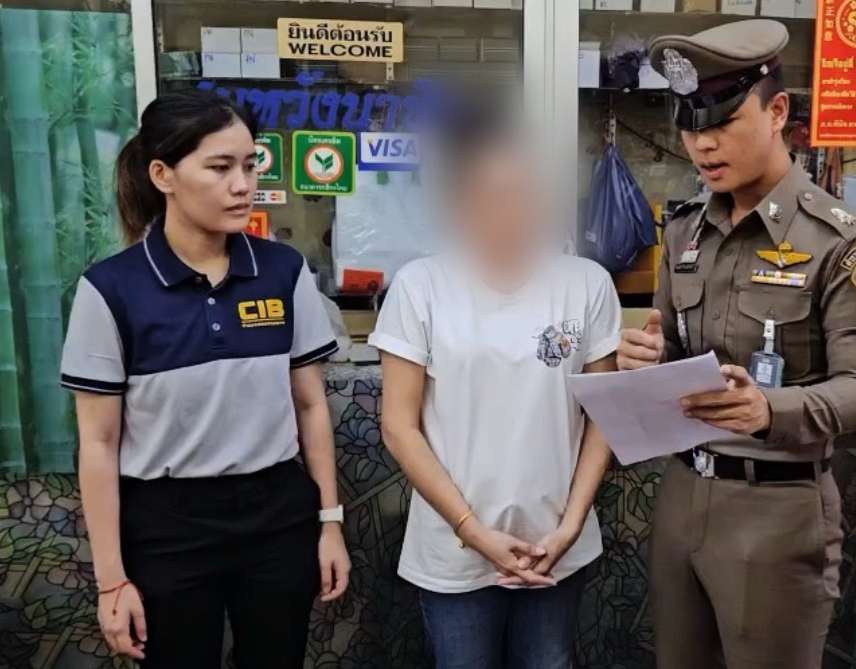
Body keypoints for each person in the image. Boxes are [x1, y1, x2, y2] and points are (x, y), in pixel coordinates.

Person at [616, 20, 856, 669]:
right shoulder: (685, 233)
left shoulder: (842, 241)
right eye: (691, 126)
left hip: (776, 509)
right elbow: (675, 350)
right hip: (683, 496)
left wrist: (769, 410)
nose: (702, 143)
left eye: (722, 121)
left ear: (777, 113)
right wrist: (649, 360)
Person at [61, 91, 351, 669]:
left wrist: (329, 523)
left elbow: (310, 406)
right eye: (219, 168)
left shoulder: (283, 271)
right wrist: (111, 579)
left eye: (250, 165)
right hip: (167, 527)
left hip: (277, 517)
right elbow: (98, 442)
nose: (242, 185)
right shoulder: (110, 289)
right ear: (162, 175)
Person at [370, 113, 621, 669]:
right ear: (460, 202)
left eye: (522, 192)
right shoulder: (421, 286)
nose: (509, 209)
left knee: (550, 660)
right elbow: (398, 426)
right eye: (492, 194)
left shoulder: (585, 284)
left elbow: (602, 416)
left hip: (556, 545)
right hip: (454, 547)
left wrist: (571, 526)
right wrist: (472, 530)